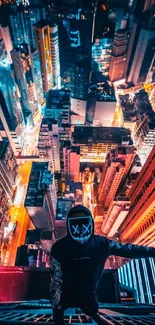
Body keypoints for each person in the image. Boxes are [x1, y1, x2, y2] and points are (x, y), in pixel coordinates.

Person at [50, 204, 155, 325]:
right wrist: (57, 312)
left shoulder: (98, 244)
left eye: (83, 222)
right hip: (69, 300)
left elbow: (130, 250)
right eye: (76, 223)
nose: (79, 228)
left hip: (87, 301)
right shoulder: (61, 248)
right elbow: (55, 281)